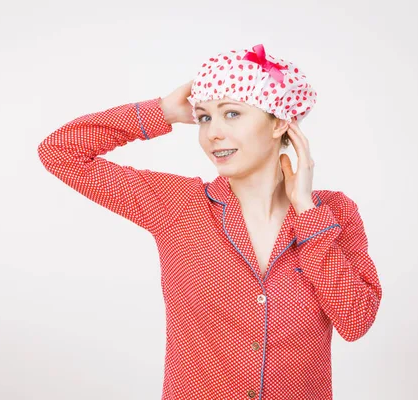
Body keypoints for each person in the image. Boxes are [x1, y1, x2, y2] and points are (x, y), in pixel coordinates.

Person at [37, 44, 383, 400]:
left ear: (280, 122)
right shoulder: (178, 206)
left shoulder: (333, 213)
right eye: (204, 117)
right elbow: (60, 152)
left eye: (232, 114)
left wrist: (307, 214)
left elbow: (355, 320)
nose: (212, 133)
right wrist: (162, 112)